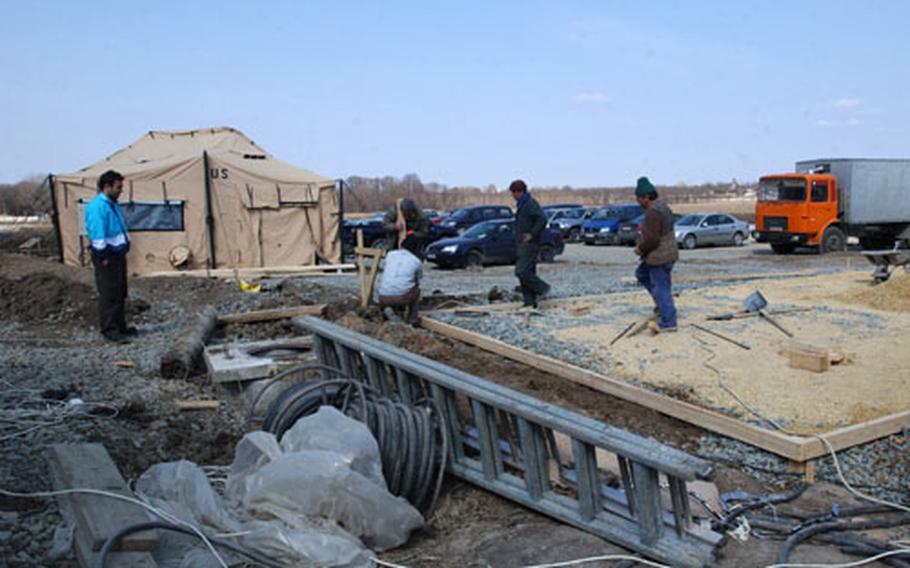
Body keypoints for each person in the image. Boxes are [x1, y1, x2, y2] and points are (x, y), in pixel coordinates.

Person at [85, 170, 136, 342]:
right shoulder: (97, 207)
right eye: (118, 187)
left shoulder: (112, 204)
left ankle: (120, 326)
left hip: (117, 253)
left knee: (120, 291)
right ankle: (110, 329)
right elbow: (97, 232)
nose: (121, 191)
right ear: (107, 186)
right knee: (109, 292)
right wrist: (103, 255)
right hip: (107, 255)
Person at [633, 176, 679, 332]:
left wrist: (640, 249)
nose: (638, 202)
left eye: (639, 199)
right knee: (641, 273)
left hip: (659, 257)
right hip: (667, 255)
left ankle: (669, 322)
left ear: (646, 197)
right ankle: (662, 307)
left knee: (661, 288)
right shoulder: (663, 207)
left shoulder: (653, 213)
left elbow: (652, 239)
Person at [509, 179, 550, 308]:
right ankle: (529, 302)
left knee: (521, 271)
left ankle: (543, 288)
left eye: (513, 193)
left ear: (519, 192)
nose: (512, 196)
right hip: (522, 244)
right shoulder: (522, 204)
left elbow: (542, 219)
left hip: (529, 244)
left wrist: (532, 234)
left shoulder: (529, 203)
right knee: (528, 273)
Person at [377, 235, 423, 324]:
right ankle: (412, 319)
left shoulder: (390, 255)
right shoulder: (416, 261)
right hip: (401, 298)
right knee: (416, 290)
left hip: (383, 296)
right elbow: (418, 280)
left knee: (396, 285)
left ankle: (388, 309)